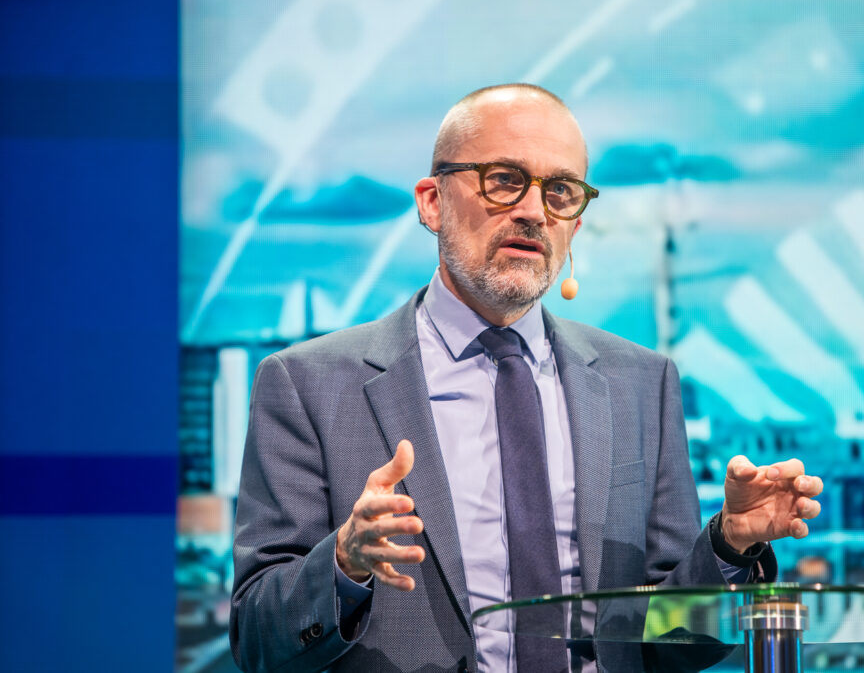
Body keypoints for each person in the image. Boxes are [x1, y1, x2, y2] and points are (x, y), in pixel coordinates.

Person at [230, 84, 823, 673]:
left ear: (575, 227)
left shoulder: (641, 383)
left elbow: (667, 643)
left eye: (560, 191)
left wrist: (728, 544)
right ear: (432, 202)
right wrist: (343, 563)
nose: (535, 212)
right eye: (504, 179)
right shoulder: (306, 385)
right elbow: (258, 637)